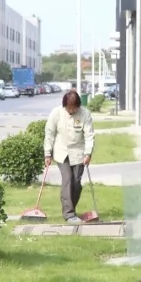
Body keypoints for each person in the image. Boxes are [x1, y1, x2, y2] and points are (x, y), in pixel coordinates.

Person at [44, 89, 96, 224]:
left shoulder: (85, 114)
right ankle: (69, 213)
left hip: (78, 152)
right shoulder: (56, 113)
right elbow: (49, 134)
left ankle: (71, 208)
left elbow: (89, 135)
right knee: (68, 179)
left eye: (74, 108)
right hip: (62, 152)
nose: (71, 111)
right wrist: (47, 153)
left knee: (76, 184)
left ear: (78, 106)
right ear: (64, 105)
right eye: (69, 108)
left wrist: (88, 153)